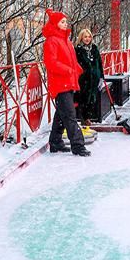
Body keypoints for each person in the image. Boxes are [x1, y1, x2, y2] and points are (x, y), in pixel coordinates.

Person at [42, 9, 89, 156]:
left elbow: (71, 60)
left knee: (62, 114)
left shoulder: (65, 40)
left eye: (65, 21)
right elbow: (51, 62)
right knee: (69, 115)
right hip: (60, 83)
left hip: (68, 81)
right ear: (55, 23)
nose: (65, 23)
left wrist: (77, 69)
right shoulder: (51, 41)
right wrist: (68, 70)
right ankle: (78, 145)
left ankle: (55, 142)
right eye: (62, 22)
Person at [74, 29, 104, 127]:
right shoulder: (77, 50)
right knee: (83, 99)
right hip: (83, 79)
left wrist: (101, 77)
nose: (87, 39)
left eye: (89, 36)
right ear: (81, 38)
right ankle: (84, 119)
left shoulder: (94, 48)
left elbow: (99, 63)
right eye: (85, 37)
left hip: (94, 78)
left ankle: (88, 118)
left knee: (92, 99)